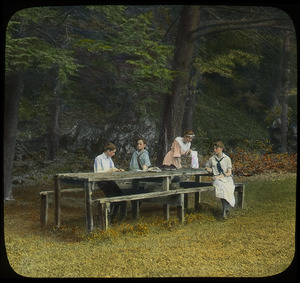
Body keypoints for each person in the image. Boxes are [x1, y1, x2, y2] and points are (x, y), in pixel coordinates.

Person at [94, 142, 126, 222]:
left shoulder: (109, 158)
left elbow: (112, 167)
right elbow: (97, 172)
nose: (113, 154)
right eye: (113, 152)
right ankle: (107, 217)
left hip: (109, 179)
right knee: (112, 196)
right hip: (101, 180)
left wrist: (118, 170)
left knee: (120, 194)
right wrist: (109, 171)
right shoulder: (99, 158)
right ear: (108, 151)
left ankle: (113, 216)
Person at [205, 141, 235, 219]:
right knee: (221, 187)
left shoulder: (227, 159)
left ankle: (225, 208)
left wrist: (220, 176)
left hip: (226, 177)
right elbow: (207, 166)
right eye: (214, 148)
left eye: (216, 148)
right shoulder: (212, 159)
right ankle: (225, 209)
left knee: (228, 187)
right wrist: (209, 169)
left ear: (221, 148)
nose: (215, 150)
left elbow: (229, 173)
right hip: (217, 179)